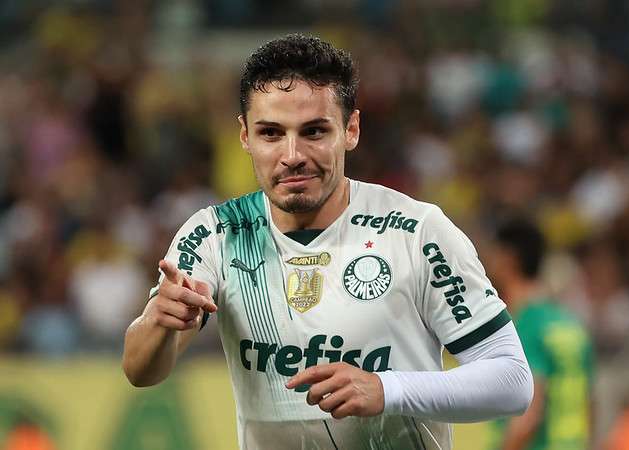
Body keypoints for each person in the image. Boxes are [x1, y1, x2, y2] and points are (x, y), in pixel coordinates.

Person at [121, 34, 532, 449]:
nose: (293, 154)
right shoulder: (216, 234)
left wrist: (386, 389)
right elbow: (140, 370)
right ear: (244, 136)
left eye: (314, 131)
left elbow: (512, 379)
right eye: (271, 133)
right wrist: (158, 321)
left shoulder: (417, 231)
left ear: (350, 129)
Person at [486, 218, 594, 450]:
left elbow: (528, 416)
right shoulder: (569, 324)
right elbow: (590, 404)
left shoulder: (524, 325)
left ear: (508, 259)